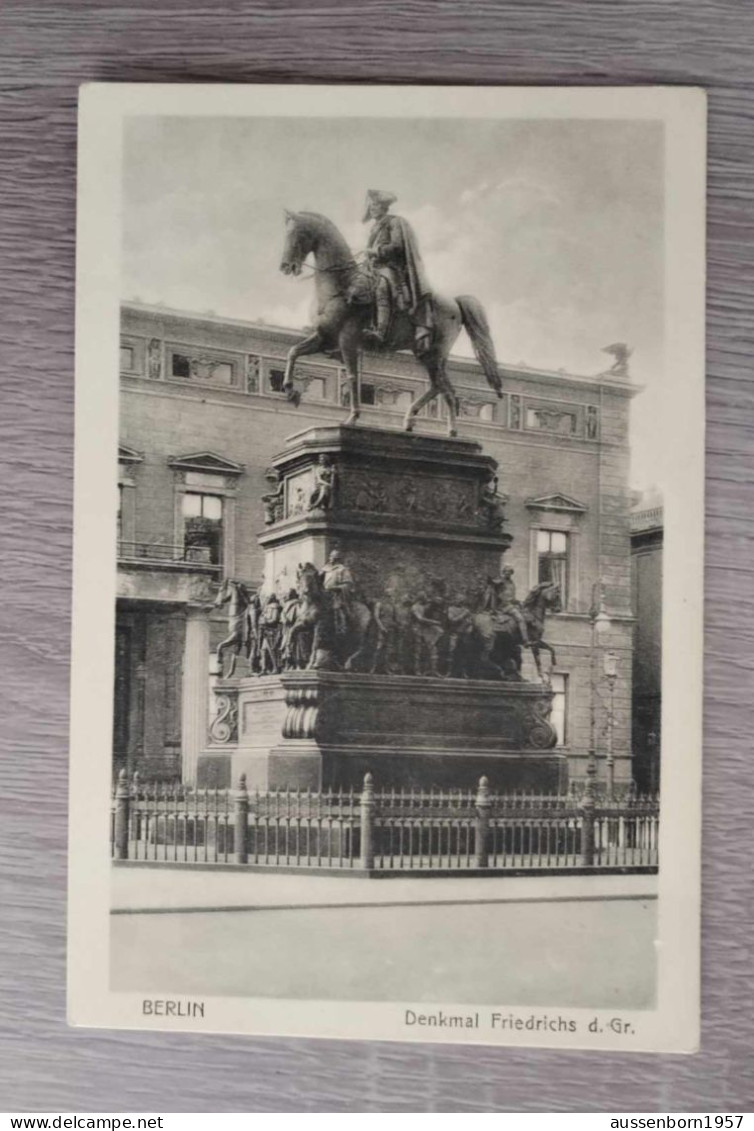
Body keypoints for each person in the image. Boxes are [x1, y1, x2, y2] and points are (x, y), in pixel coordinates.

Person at [359, 189, 432, 354]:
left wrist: (376, 251)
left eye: (375, 206)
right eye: (371, 207)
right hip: (373, 267)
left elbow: (397, 246)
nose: (372, 209)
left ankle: (380, 332)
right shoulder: (375, 227)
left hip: (390, 268)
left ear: (384, 207)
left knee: (381, 288)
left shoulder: (394, 222)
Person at [483, 565, 531, 647]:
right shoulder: (501, 581)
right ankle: (525, 640)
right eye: (506, 572)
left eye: (509, 572)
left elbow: (511, 597)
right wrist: (489, 576)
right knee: (520, 619)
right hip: (504, 606)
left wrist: (519, 602)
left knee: (526, 615)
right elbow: (493, 584)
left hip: (511, 604)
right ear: (503, 572)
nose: (508, 574)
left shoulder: (511, 583)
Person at [320, 547, 355, 637]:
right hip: (324, 594)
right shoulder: (325, 569)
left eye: (333, 557)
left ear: (338, 559)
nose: (331, 559)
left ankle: (341, 629)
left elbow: (348, 584)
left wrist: (336, 587)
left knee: (337, 608)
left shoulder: (343, 569)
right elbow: (318, 581)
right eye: (331, 556)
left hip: (336, 594)